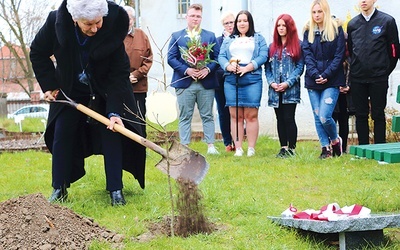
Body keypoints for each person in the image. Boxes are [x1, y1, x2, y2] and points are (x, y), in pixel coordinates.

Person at [29, 0, 146, 206]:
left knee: (113, 133)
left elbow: (119, 74)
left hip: (105, 89)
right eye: (88, 24)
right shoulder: (55, 22)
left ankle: (115, 190)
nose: (94, 28)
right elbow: (38, 52)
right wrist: (50, 85)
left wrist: (115, 112)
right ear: (75, 20)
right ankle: (60, 187)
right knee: (62, 134)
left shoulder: (112, 26)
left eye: (97, 22)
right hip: (69, 90)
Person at [167, 3, 220, 154]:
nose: (195, 19)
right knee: (185, 116)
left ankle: (210, 145)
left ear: (201, 18)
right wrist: (187, 70)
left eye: (198, 16)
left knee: (207, 114)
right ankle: (184, 146)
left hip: (205, 82)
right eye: (192, 16)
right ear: (186, 17)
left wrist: (207, 69)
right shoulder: (177, 36)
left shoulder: (210, 36)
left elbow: (216, 58)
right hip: (185, 82)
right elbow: (171, 58)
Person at [347, 0, 399, 145]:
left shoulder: (387, 21)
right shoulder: (352, 24)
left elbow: (394, 51)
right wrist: (355, 69)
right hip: (358, 78)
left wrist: (384, 71)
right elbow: (350, 50)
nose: (363, 1)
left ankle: (380, 147)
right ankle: (363, 149)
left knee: (378, 114)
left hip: (379, 77)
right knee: (361, 114)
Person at [218, 10, 268, 157]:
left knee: (251, 115)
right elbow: (221, 56)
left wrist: (248, 67)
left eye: (245, 20)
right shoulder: (229, 39)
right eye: (239, 21)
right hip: (232, 80)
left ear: (250, 22)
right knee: (235, 115)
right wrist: (228, 66)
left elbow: (263, 56)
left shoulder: (258, 38)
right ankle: (238, 148)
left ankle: (251, 148)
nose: (241, 23)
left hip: (252, 78)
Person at [302, 0, 346, 159]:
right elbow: (307, 55)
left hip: (332, 80)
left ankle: (335, 140)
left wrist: (326, 74)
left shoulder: (336, 29)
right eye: (314, 12)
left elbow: (339, 56)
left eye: (319, 12)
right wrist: (315, 74)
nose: (317, 15)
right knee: (317, 115)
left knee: (324, 116)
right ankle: (325, 148)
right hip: (313, 81)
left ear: (325, 12)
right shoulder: (308, 31)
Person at [265, 14, 304, 158]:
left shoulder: (298, 45)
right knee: (279, 118)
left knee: (289, 117)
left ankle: (292, 149)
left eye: (284, 25)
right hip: (275, 90)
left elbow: (300, 68)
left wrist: (288, 83)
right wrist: (271, 82)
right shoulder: (272, 47)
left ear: (290, 27)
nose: (281, 28)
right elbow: (267, 68)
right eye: (279, 26)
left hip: (290, 90)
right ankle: (283, 147)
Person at [123, 5, 153, 137]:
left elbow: (148, 59)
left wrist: (136, 75)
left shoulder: (142, 36)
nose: (126, 21)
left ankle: (141, 147)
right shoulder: (113, 36)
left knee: (139, 120)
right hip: (119, 88)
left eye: (128, 18)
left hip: (138, 88)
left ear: (133, 20)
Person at [215, 11, 236, 152]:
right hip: (221, 80)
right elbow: (216, 61)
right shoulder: (217, 41)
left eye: (231, 22)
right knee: (223, 111)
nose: (229, 25)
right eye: (226, 23)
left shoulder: (241, 39)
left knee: (236, 112)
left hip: (237, 80)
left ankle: (237, 140)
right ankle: (227, 142)